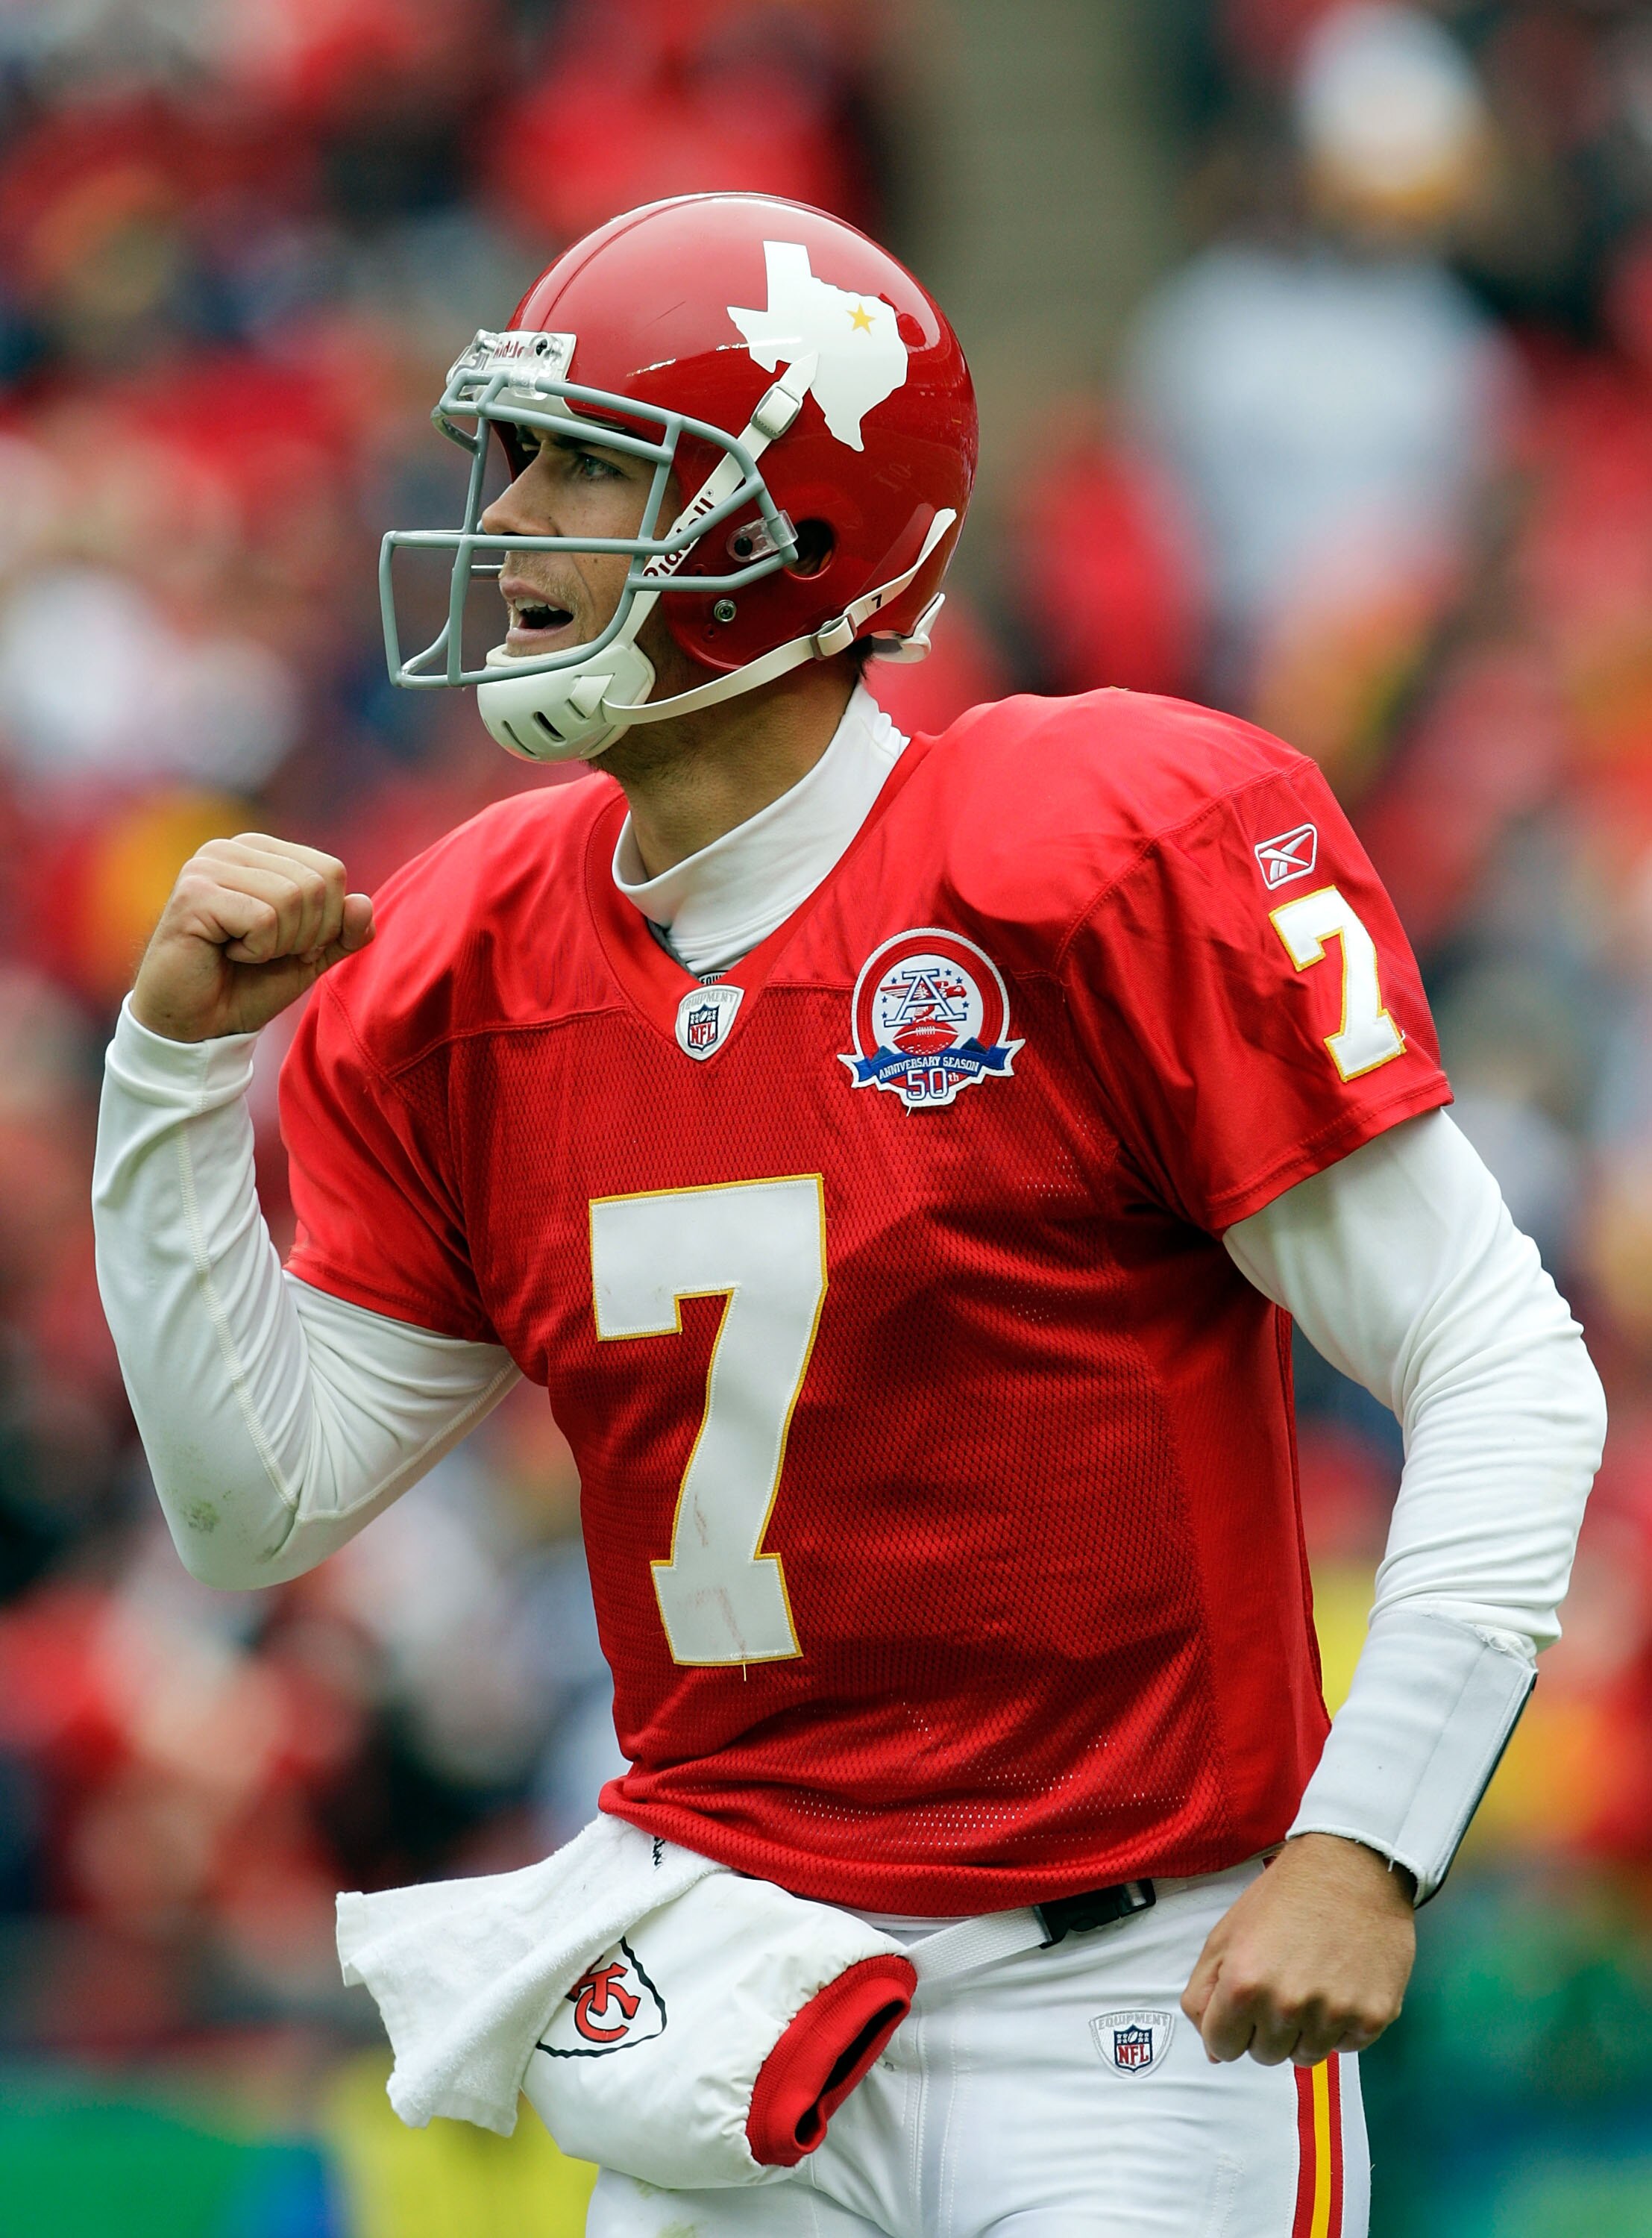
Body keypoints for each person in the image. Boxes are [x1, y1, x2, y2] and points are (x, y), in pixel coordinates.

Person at [92, 194, 1604, 2237]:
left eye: (581, 462)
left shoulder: (1089, 851)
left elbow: (1502, 1361)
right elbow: (252, 1508)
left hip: (1139, 1998)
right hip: (744, 1995)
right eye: (513, 455)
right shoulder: (464, 952)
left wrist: (1370, 1842)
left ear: (788, 530)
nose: (509, 515)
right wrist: (175, 1086)